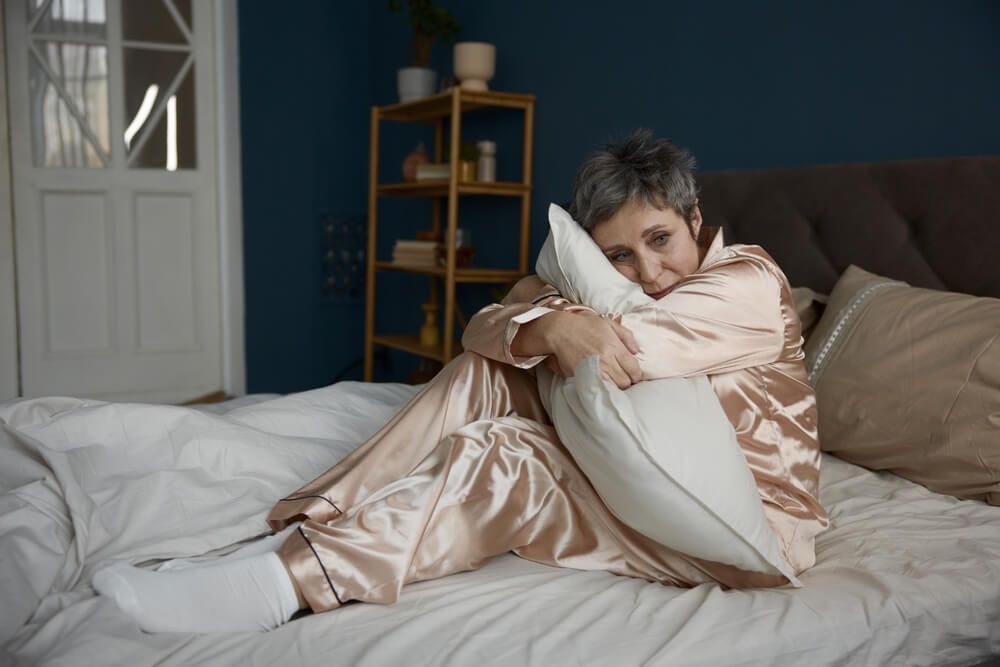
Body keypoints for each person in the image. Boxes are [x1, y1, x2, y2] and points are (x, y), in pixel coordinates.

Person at [93, 129, 828, 633]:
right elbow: (483, 327)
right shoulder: (619, 291)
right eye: (618, 259)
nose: (646, 272)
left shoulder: (750, 285)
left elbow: (614, 347)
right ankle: (315, 519)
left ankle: (286, 586)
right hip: (648, 477)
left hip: (745, 537)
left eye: (659, 240)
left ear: (696, 219)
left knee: (504, 454)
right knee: (491, 369)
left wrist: (541, 313)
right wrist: (540, 324)